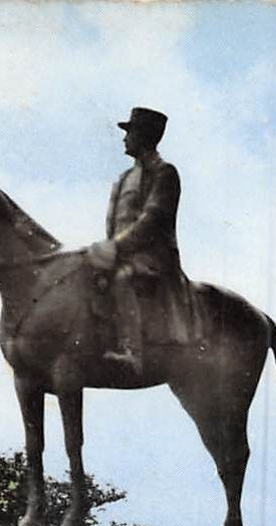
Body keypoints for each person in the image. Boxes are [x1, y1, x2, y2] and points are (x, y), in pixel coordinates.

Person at [100, 106, 187, 366]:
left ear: (144, 136)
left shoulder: (164, 173)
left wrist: (115, 247)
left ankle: (132, 352)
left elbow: (153, 220)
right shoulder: (124, 177)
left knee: (121, 278)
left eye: (130, 132)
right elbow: (114, 222)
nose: (124, 138)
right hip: (121, 252)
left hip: (152, 257)